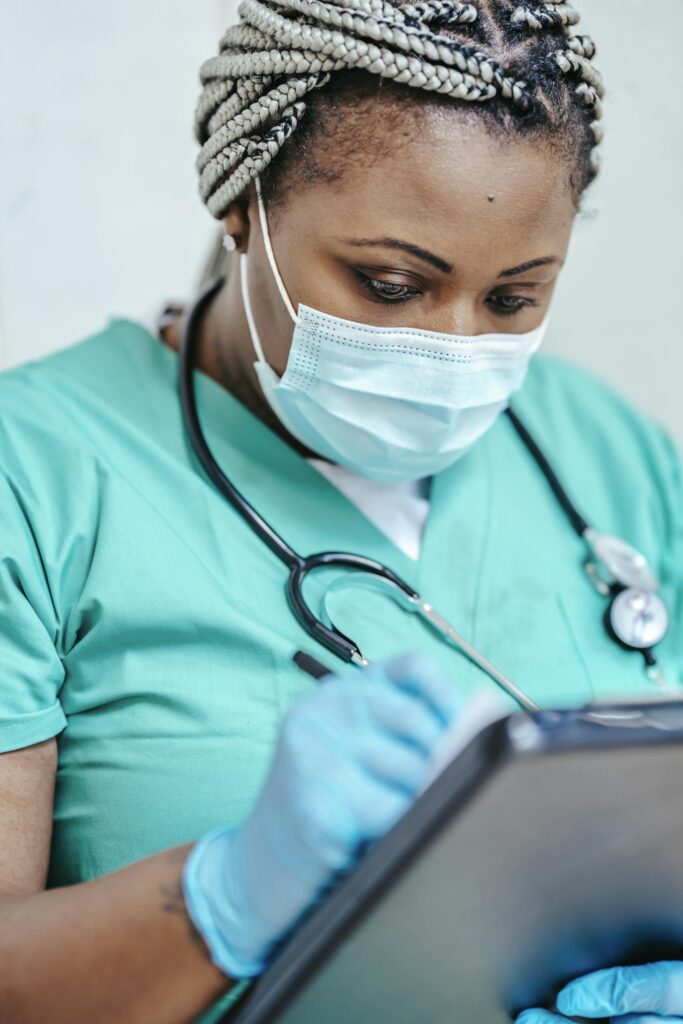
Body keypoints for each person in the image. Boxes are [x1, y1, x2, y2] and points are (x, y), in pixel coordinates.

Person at [0, 0, 681, 1021]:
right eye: (389, 282)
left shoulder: (606, 450)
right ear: (243, 207)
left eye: (513, 298)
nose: (451, 347)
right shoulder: (35, 470)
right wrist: (221, 897)